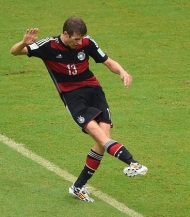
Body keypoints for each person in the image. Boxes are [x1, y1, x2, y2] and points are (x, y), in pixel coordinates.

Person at [10, 17, 148, 203]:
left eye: (81, 38)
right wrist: (23, 43)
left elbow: (108, 61)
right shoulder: (48, 46)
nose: (79, 42)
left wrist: (122, 71)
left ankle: (78, 187)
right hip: (73, 97)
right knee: (100, 136)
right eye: (76, 39)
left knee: (103, 141)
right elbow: (14, 52)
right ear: (65, 34)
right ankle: (133, 162)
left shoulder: (87, 42)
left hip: (94, 92)